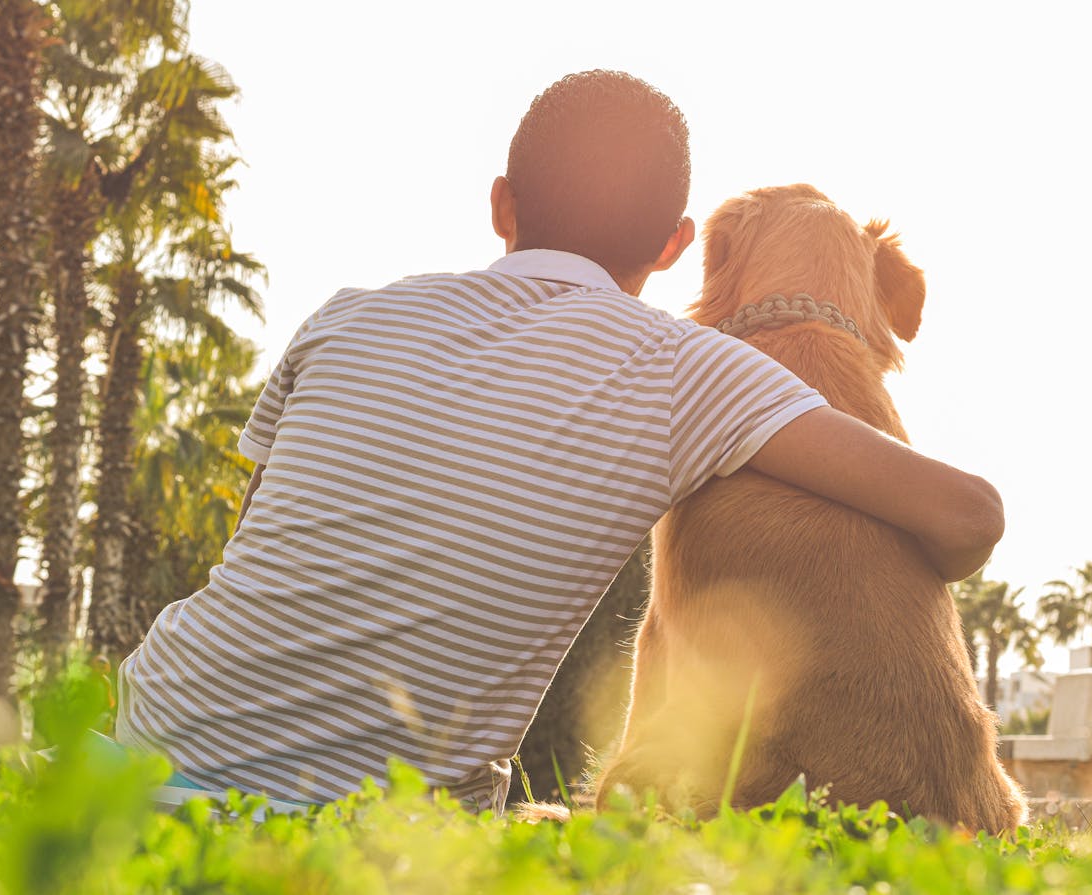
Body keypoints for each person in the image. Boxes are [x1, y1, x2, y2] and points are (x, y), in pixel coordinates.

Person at [114, 70, 1003, 813]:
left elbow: (254, 540)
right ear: (671, 245)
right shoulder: (689, 370)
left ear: (501, 204)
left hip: (132, 763)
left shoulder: (344, 318)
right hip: (371, 830)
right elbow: (970, 516)